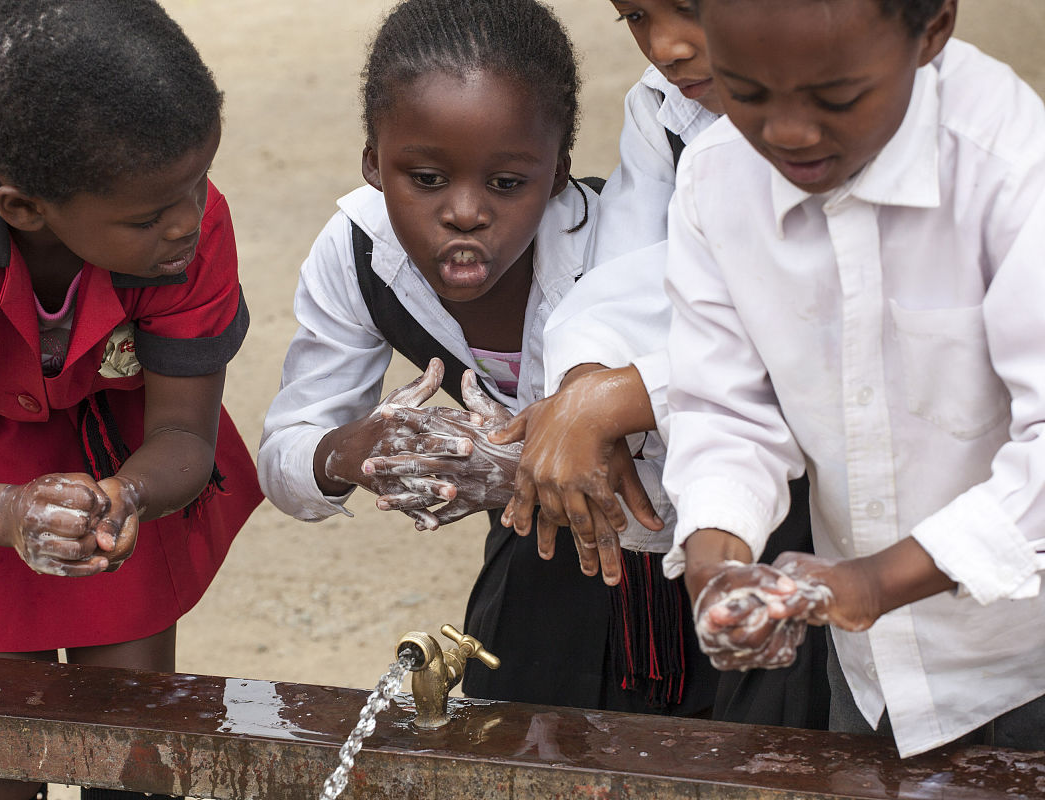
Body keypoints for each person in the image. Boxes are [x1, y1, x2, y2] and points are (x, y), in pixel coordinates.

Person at [0, 1, 263, 797]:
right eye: (149, 215)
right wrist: (11, 514)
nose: (189, 222)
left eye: (197, 180)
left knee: (132, 744)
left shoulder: (190, 225)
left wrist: (127, 495)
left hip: (119, 456)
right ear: (25, 209)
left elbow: (182, 435)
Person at [259, 0, 714, 715]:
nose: (465, 212)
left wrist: (503, 467)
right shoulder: (358, 256)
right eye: (427, 179)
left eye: (507, 184)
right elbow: (285, 453)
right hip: (540, 577)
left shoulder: (618, 255)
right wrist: (357, 451)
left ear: (559, 171)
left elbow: (690, 455)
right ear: (374, 162)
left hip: (703, 567)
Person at [659, 0, 1045, 757]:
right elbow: (725, 408)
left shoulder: (1012, 167)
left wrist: (872, 585)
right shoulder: (715, 182)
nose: (788, 132)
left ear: (932, 29)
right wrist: (717, 557)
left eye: (835, 99)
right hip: (870, 677)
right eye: (746, 91)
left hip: (1027, 660)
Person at [489, 0, 827, 729]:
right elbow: (633, 278)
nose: (667, 46)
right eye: (636, 15)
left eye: (692, 8)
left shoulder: (831, 132)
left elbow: (804, 326)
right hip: (729, 469)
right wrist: (584, 386)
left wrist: (616, 400)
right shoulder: (666, 109)